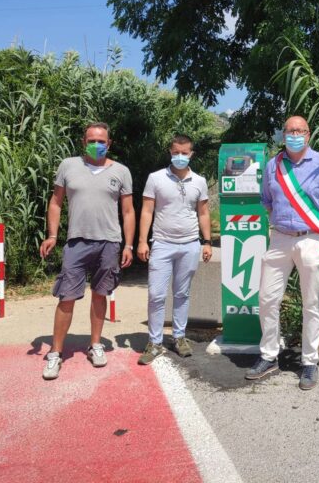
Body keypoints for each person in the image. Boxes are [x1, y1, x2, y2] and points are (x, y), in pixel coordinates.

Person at [245, 115, 319, 390]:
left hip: (311, 240)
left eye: (299, 131)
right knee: (267, 298)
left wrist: (316, 231)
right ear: (283, 134)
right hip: (279, 239)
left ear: (308, 134)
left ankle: (310, 361)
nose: (294, 135)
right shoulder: (272, 167)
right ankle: (269, 355)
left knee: (310, 303)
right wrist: (282, 226)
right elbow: (267, 201)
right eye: (290, 131)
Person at [39, 122, 135, 380]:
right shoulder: (68, 166)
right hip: (76, 242)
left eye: (102, 140)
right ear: (83, 142)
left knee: (100, 295)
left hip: (109, 243)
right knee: (66, 297)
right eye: (92, 140)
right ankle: (55, 353)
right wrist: (52, 235)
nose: (97, 144)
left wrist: (128, 244)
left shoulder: (121, 171)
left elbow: (128, 211)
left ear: (109, 143)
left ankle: (95, 345)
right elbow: (56, 202)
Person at [137, 134, 212, 364]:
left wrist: (207, 241)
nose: (180, 156)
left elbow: (203, 212)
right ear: (170, 152)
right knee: (156, 294)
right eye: (176, 152)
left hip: (190, 244)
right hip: (162, 243)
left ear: (192, 154)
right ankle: (155, 342)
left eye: (184, 152)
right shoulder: (156, 178)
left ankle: (179, 337)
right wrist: (142, 241)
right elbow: (147, 211)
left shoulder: (199, 181)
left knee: (182, 294)